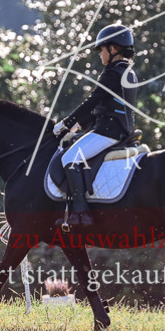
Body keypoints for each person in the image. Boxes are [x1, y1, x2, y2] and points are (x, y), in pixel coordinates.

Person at [53, 24, 138, 227]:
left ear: (113, 49)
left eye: (102, 50)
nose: (100, 55)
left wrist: (66, 122)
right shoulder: (128, 72)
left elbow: (92, 101)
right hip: (121, 130)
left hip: (108, 132)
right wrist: (78, 125)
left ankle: (81, 213)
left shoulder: (112, 73)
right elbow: (104, 106)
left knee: (69, 158)